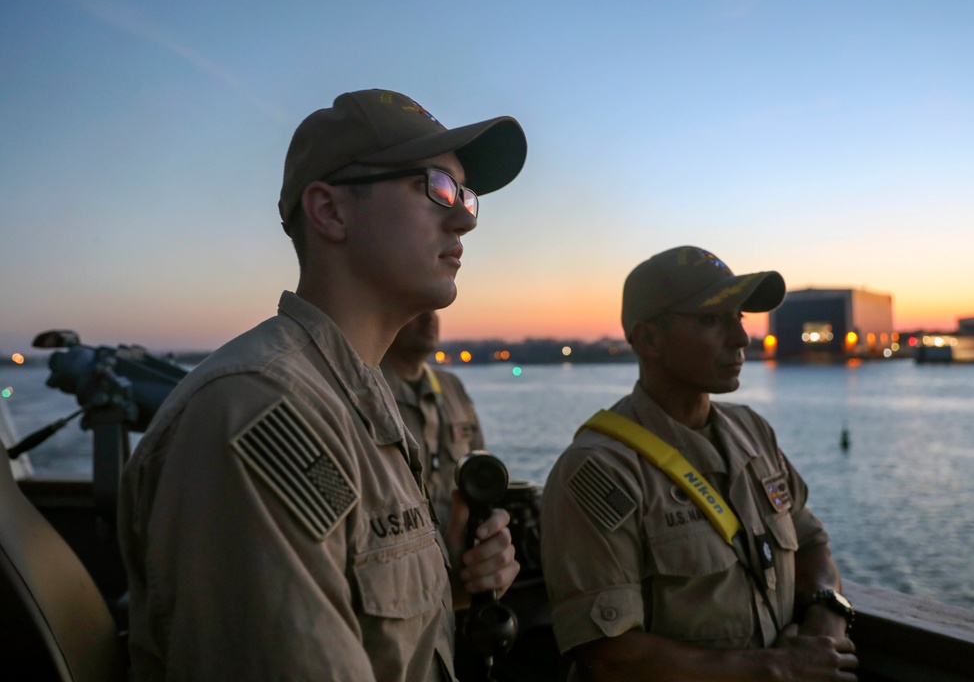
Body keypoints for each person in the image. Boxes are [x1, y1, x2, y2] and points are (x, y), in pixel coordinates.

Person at [117, 88, 527, 681]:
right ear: (331, 211)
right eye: (437, 185)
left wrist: (452, 586)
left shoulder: (353, 397)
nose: (463, 214)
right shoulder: (258, 410)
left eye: (468, 196)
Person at [540, 246, 859, 681]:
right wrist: (777, 668)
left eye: (739, 318)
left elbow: (809, 539)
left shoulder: (753, 432)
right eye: (712, 320)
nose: (741, 338)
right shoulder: (600, 471)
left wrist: (826, 613)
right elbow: (609, 654)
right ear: (649, 339)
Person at [381, 310, 486, 537]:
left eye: (433, 309)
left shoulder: (451, 387)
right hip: (405, 557)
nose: (429, 317)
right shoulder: (368, 392)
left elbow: (481, 468)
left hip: (462, 552)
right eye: (416, 309)